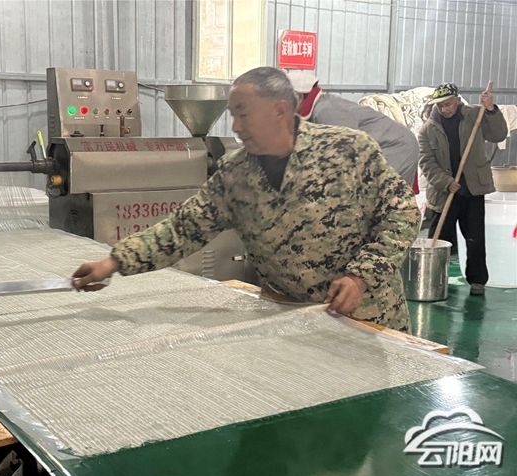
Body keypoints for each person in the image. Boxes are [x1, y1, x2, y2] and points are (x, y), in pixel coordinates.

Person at [73, 67, 421, 331]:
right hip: (292, 321)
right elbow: (182, 230)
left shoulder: (347, 150)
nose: (236, 127)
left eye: (244, 114)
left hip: (366, 320)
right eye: (233, 115)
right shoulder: (235, 174)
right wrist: (114, 262)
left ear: (280, 111)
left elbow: (401, 213)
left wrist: (361, 277)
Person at [418, 83, 508, 295]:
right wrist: (445, 181)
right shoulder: (427, 130)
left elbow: (498, 135)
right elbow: (426, 162)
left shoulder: (475, 115)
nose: (444, 109)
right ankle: (433, 279)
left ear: (458, 100)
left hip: (472, 189)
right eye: (440, 105)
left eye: (448, 104)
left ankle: (477, 281)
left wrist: (491, 109)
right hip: (444, 193)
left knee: (475, 238)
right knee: (439, 240)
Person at [286, 70, 420, 187]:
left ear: (299, 97)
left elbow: (345, 152)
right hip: (378, 147)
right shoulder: (318, 110)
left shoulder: (326, 111)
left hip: (396, 146)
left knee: (383, 195)